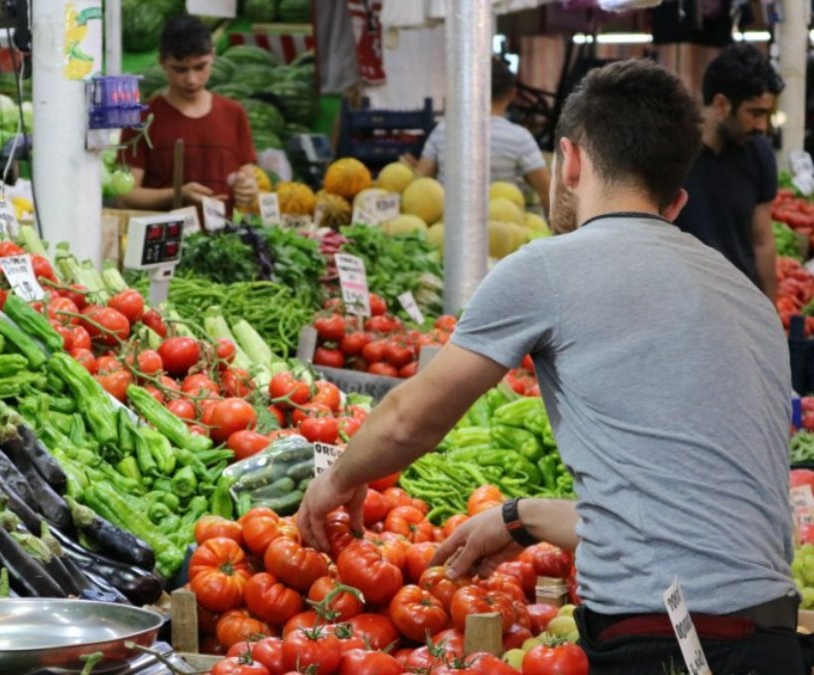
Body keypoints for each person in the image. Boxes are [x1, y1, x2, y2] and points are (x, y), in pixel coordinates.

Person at [296, 59, 804, 674]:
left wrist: (334, 483)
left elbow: (409, 421)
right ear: (677, 199)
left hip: (660, 640)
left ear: (569, 160)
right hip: (773, 639)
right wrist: (520, 516)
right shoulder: (748, 298)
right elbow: (686, 520)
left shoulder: (548, 268)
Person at [674, 43, 784, 301]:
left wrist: (771, 313)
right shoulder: (673, 154)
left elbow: (762, 241)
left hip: (739, 303)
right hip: (682, 303)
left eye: (766, 114)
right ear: (722, 104)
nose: (762, 126)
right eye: (755, 113)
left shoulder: (759, 153)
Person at [117, 16, 258, 212]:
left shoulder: (234, 113)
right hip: (164, 237)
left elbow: (247, 175)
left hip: (224, 238)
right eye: (180, 69)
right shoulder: (141, 119)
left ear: (213, 56)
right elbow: (126, 195)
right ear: (162, 63)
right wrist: (178, 193)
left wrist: (248, 187)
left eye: (200, 67)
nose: (191, 79)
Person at [407, 58, 551, 215]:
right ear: (512, 94)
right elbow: (547, 193)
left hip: (449, 227)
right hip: (503, 227)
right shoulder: (520, 138)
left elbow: (419, 183)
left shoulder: (443, 130)